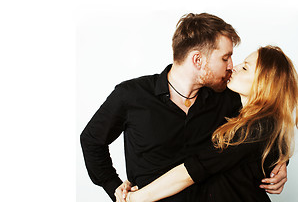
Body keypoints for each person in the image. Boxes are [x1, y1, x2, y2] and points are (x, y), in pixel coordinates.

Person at [80, 13, 287, 202]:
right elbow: (91, 140)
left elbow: (268, 114)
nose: (231, 65)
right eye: (225, 58)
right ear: (198, 60)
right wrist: (116, 190)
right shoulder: (131, 95)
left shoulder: (228, 97)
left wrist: (280, 162)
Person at [123, 46, 298, 202]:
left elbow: (193, 170)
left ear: (264, 84)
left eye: (245, 68)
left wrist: (137, 198)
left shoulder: (258, 128)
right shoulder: (237, 110)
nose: (233, 68)